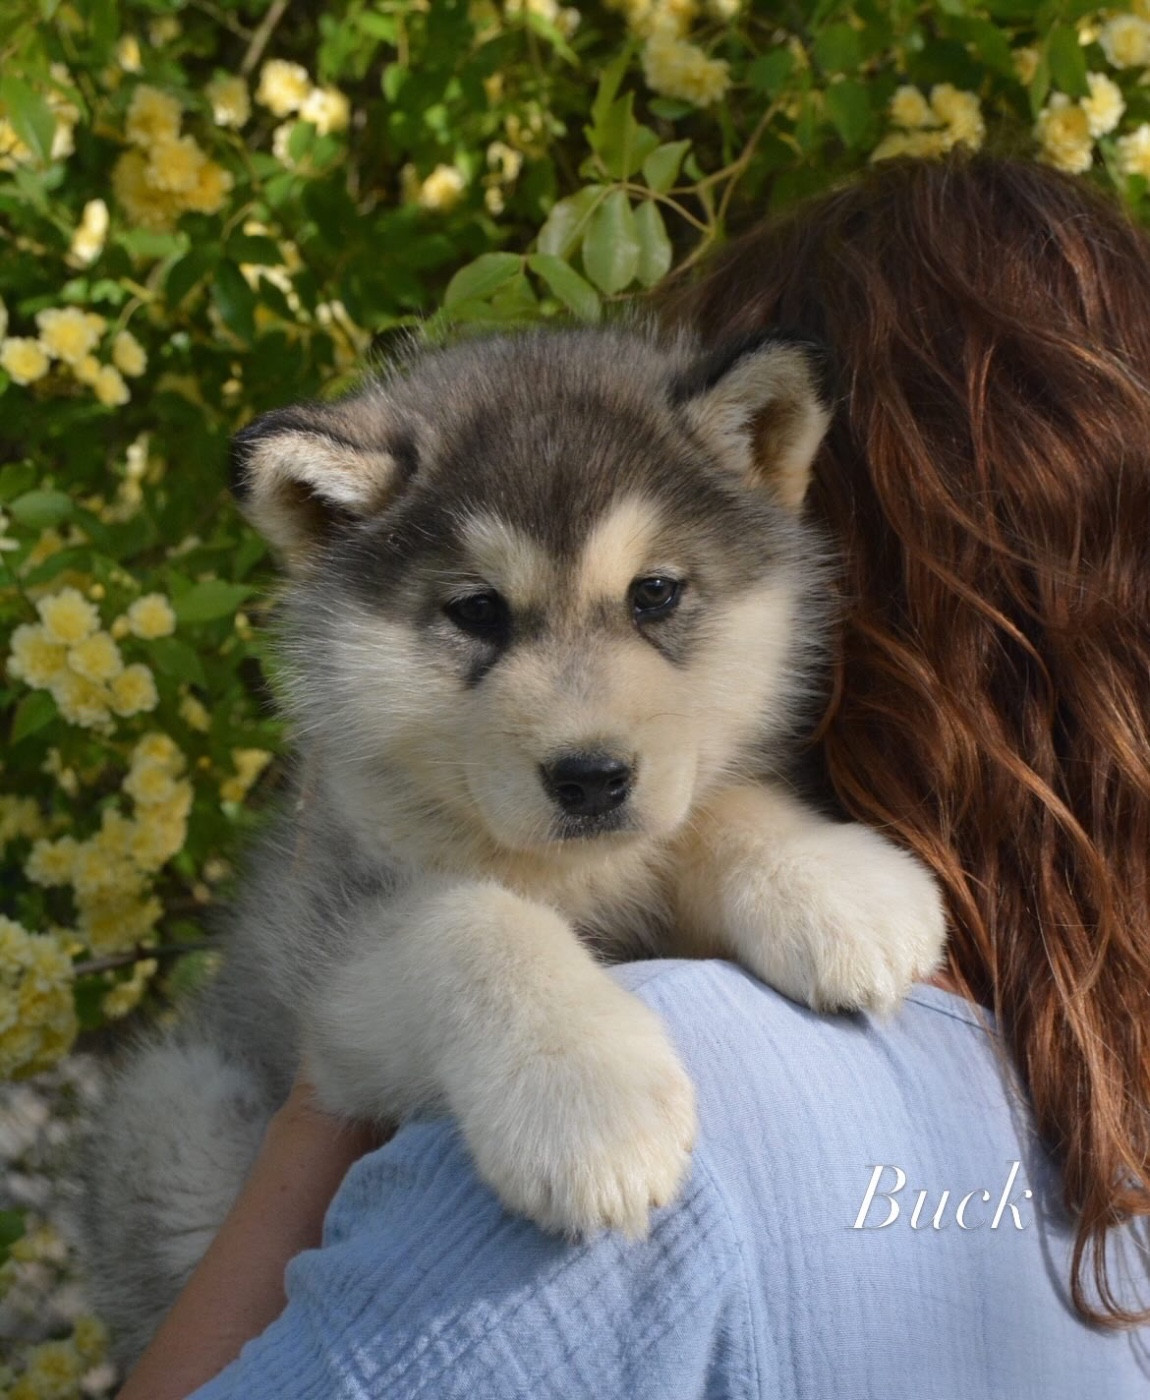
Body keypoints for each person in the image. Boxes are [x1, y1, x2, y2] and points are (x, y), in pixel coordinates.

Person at [118, 154, 1150, 1399]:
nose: (584, 719)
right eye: (478, 616)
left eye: (653, 598)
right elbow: (362, 988)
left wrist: (749, 848)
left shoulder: (762, 1093)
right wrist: (490, 982)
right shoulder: (1072, 1104)